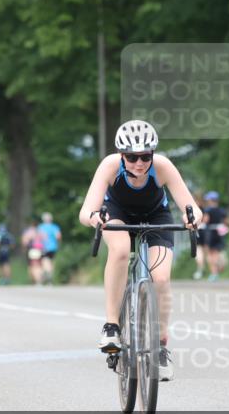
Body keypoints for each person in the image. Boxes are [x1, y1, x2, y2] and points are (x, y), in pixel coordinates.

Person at [78, 120, 202, 382]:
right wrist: (94, 218)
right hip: (117, 214)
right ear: (122, 155)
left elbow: (191, 206)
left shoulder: (163, 167)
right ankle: (112, 326)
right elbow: (86, 210)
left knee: (161, 278)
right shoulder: (110, 166)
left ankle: (160, 346)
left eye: (145, 156)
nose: (139, 163)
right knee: (121, 249)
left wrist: (193, 218)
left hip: (156, 216)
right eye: (132, 157)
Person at [201, 191, 229, 281]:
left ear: (211, 200)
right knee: (217, 253)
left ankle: (214, 273)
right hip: (219, 232)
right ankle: (218, 270)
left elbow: (206, 220)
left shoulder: (208, 210)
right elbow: (228, 222)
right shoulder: (222, 210)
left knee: (210, 254)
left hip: (210, 233)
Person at [37, 213, 62, 285]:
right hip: (53, 247)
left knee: (45, 262)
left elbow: (39, 237)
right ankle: (48, 276)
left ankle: (47, 277)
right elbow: (58, 237)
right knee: (51, 262)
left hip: (44, 247)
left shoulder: (41, 227)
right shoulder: (54, 227)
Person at [21, 217, 45, 284]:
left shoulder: (29, 231)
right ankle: (40, 277)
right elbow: (45, 239)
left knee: (33, 265)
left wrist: (24, 247)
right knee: (39, 265)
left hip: (33, 249)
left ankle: (37, 280)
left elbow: (24, 242)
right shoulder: (40, 231)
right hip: (40, 249)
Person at [191, 190, 208, 280]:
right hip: (204, 231)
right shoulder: (204, 208)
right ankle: (202, 269)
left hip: (197, 230)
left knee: (198, 252)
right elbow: (206, 219)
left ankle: (200, 270)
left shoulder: (194, 209)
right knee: (204, 252)